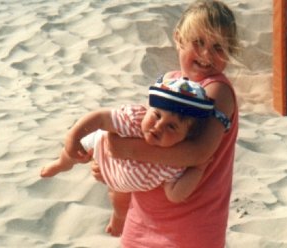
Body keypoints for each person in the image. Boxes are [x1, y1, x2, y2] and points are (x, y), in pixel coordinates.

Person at [89, 1, 241, 247]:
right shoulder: (169, 82)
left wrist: (124, 149)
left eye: (218, 47)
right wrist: (111, 165)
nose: (206, 55)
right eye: (198, 42)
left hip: (192, 226)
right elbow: (146, 132)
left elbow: (199, 152)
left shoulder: (217, 90)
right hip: (143, 217)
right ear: (179, 38)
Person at [40, 78, 226, 236]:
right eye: (157, 115)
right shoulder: (135, 121)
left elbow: (175, 194)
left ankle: (118, 219)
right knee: (73, 153)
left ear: (186, 137)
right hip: (102, 149)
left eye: (172, 127)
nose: (158, 126)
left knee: (120, 204)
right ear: (149, 108)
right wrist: (73, 136)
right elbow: (100, 118)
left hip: (123, 181)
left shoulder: (175, 163)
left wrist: (198, 168)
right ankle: (61, 164)